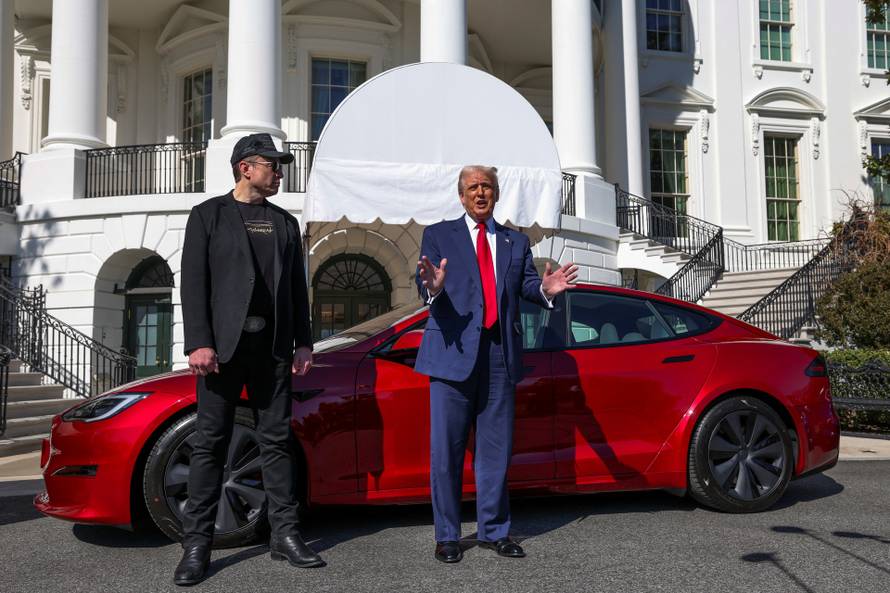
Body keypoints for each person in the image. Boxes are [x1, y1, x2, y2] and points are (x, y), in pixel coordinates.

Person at [175, 133, 323, 586]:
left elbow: (298, 288)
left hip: (273, 348)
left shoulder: (283, 222)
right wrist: (198, 341)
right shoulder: (208, 216)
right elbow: (194, 283)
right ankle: (197, 544)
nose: (279, 172)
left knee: (276, 442)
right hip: (220, 351)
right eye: (272, 165)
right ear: (246, 167)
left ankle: (285, 535)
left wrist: (304, 341)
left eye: (280, 166)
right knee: (210, 443)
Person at [415, 165, 577, 563]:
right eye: (473, 187)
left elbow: (524, 285)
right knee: (447, 453)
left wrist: (544, 289)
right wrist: (432, 287)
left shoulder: (514, 242)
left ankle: (494, 531)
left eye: (487, 186)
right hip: (452, 357)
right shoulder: (439, 235)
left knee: (496, 451)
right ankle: (448, 536)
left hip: (499, 357)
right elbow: (424, 282)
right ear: (461, 195)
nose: (480, 193)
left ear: (496, 194)